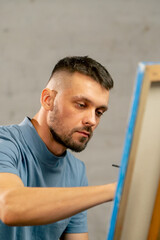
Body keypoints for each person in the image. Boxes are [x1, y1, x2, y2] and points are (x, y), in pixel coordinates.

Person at [0, 56, 116, 240]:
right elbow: (9, 207)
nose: (92, 121)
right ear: (48, 99)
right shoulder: (4, 143)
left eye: (99, 112)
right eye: (81, 105)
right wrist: (115, 190)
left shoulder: (76, 171)